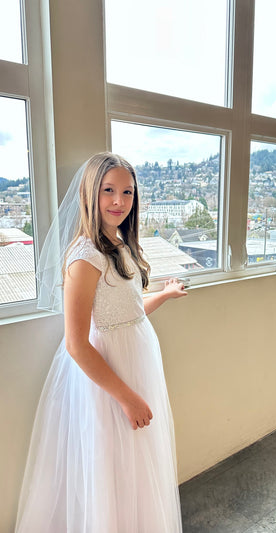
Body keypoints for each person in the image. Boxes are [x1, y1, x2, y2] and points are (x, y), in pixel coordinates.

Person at [15, 152, 187, 533]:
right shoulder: (84, 256)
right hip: (109, 381)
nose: (118, 201)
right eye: (108, 190)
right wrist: (127, 397)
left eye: (127, 192)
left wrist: (164, 294)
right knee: (109, 467)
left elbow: (127, 311)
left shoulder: (118, 245)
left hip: (134, 367)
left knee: (133, 468)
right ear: (89, 193)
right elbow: (76, 344)